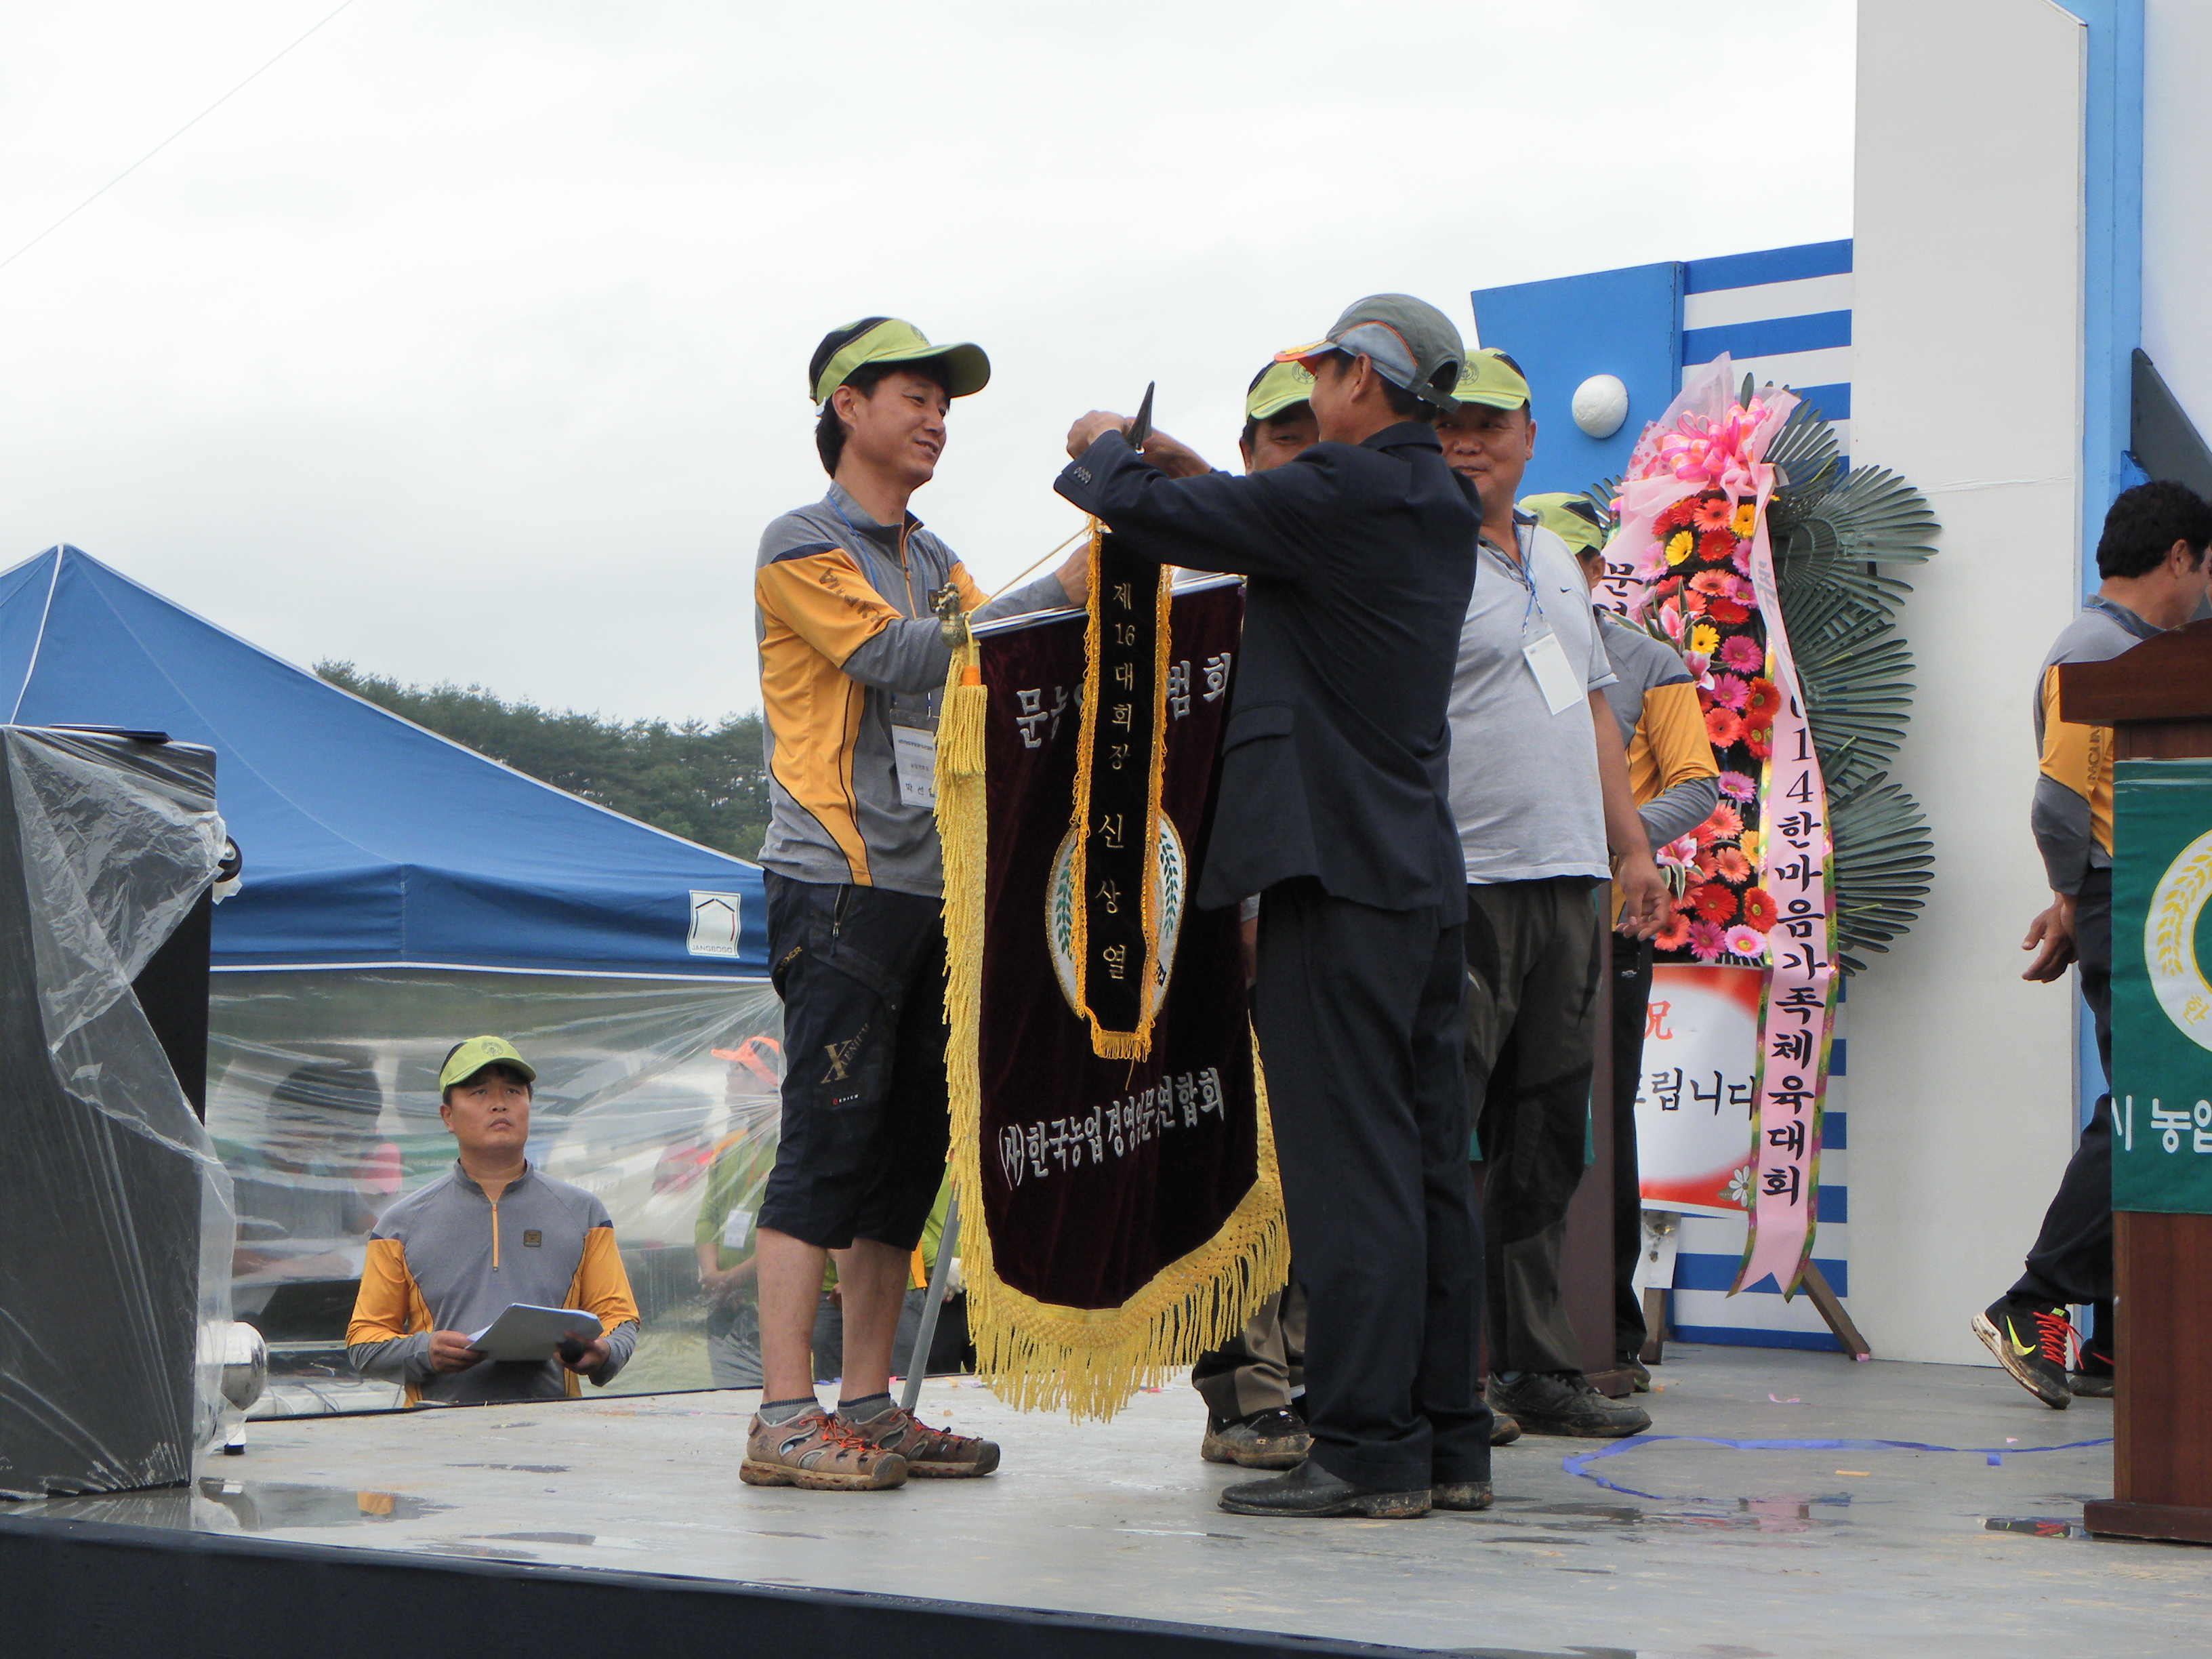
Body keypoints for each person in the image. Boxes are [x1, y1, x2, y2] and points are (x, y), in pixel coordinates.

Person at [1058, 294, 1491, 1519]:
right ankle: (1446, 1442)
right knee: (1425, 1165)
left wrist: (1105, 448)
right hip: (1415, 876)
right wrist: (1193, 468)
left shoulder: (1344, 491)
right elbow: (1257, 519)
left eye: (1324, 375)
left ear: (1360, 378)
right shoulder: (1431, 499)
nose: (1314, 397)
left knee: (1346, 1168)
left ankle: (1364, 1446)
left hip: (1331, 873)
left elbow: (1153, 514)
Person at [744, 317, 1087, 1491]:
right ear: (847, 407)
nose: (936, 419)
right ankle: (780, 1414)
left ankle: (868, 1403)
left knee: (901, 1161)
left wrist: (1097, 582)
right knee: (823, 1146)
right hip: (835, 881)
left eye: (944, 404)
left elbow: (1006, 649)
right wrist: (1049, 593)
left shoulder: (937, 557)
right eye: (915, 397)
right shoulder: (802, 542)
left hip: (937, 884)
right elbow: (899, 656)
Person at [1433, 350, 1666, 1441]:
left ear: (1530, 437)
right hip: (1466, 883)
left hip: (1571, 882)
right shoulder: (1417, 557)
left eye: (1488, 424)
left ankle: (1533, 1367)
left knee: (1546, 1139)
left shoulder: (1558, 561)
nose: (1467, 442)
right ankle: (1437, 1380)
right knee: (1444, 1134)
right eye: (1450, 423)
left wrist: (1634, 850)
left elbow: (1596, 711)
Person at [1974, 480, 2212, 1405]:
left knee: (2151, 1109)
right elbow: (2058, 802)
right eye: (2206, 570)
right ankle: (2032, 1302)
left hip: (2139, 899)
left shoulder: (2139, 653)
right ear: (2179, 556)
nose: (2204, 591)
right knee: (2153, 1109)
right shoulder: (2096, 651)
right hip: (2130, 900)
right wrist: (2075, 899)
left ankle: (2116, 1335)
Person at [1527, 491, 1721, 1386]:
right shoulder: (1488, 642)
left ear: (1598, 568)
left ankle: (1608, 1323)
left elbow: (1698, 785)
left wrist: (1613, 838)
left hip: (1608, 928)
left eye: (1568, 557)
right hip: (1506, 917)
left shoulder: (1647, 660)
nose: (1549, 570)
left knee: (1602, 1120)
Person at [1185, 361, 1318, 1473]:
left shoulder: (1344, 580)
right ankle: (1242, 1390)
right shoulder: (1200, 598)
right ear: (1245, 456)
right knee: (1240, 1168)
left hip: (1331, 914)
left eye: (1318, 438)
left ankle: (1308, 1373)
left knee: (1318, 1157)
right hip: (1224, 921)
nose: (1300, 456)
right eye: (1281, 440)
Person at [346, 1037, 641, 1405]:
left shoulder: (584, 1213)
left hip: (554, 1426)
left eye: (514, 1091)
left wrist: (605, 1352)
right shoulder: (400, 1224)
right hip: (434, 1428)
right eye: (480, 1092)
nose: (500, 1103)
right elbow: (364, 1340)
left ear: (529, 1106)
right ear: (448, 1116)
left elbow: (619, 1318)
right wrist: (425, 1351)